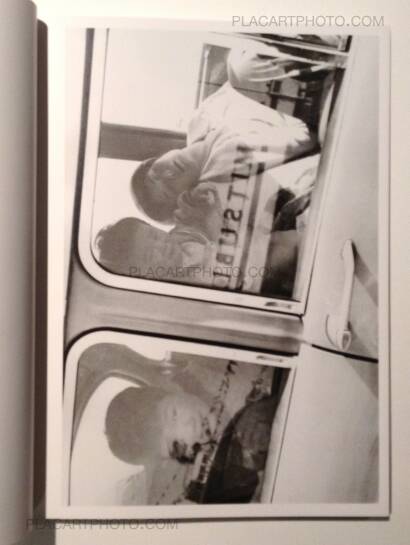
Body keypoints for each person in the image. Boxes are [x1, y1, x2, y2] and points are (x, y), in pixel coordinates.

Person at [130, 42, 314, 225]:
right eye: (169, 190)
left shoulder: (198, 121)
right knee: (243, 66)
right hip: (303, 102)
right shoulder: (223, 170)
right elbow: (304, 136)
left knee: (240, 59)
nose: (169, 174)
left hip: (277, 64)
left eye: (155, 174)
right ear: (186, 197)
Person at [95, 183, 223, 285]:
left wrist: (195, 196)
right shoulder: (180, 288)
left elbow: (189, 212)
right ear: (144, 276)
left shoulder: (183, 235)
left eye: (154, 235)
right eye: (150, 255)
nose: (162, 245)